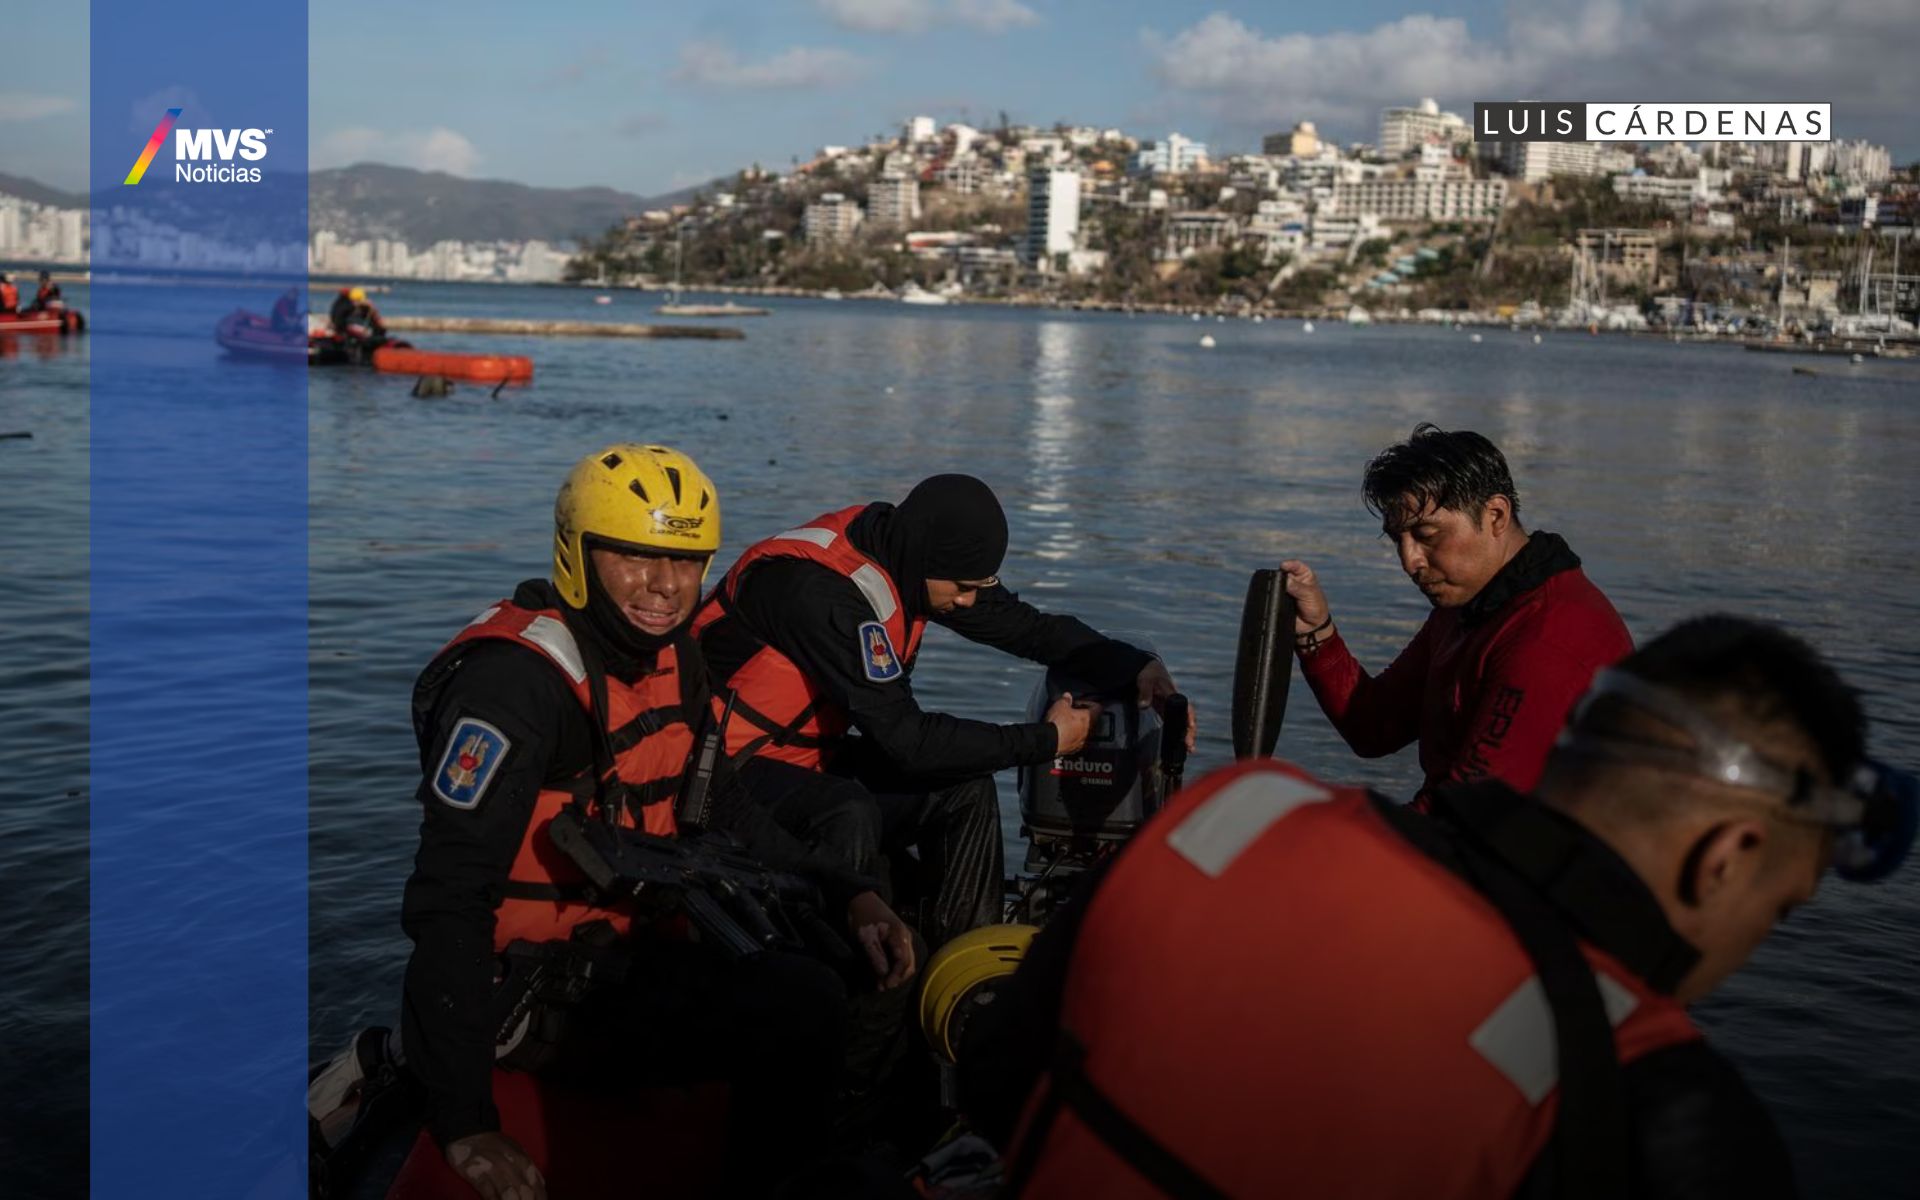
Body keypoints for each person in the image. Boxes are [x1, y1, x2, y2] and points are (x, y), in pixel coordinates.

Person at [961, 615, 1916, 1199]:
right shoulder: (1663, 1112)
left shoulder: (1236, 813)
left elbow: (997, 1082)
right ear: (1730, 857)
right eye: (1778, 911)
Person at [401, 444, 918, 1200]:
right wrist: (463, 1120)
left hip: (630, 941)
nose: (665, 588)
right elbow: (448, 898)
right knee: (801, 1006)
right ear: (577, 554)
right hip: (531, 987)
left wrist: (846, 890)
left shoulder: (675, 654)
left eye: (684, 562)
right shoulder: (513, 687)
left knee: (836, 952)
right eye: (635, 558)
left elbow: (723, 803)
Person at [693, 474, 1194, 950]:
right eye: (962, 587)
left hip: (803, 759)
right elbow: (908, 744)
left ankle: (964, 970)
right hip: (722, 775)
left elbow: (1030, 629)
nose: (968, 601)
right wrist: (1045, 741)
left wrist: (1135, 667)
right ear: (922, 558)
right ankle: (856, 993)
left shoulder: (916, 561)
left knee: (964, 788)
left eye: (977, 586)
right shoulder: (820, 594)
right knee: (846, 808)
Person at [1283, 422, 1631, 810]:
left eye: (1427, 535)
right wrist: (1315, 632)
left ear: (1496, 515)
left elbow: (1467, 817)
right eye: (1398, 539)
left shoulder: (1551, 636)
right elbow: (1374, 726)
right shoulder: (1470, 605)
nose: (1409, 561)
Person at [328, 285, 387, 361]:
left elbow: (379, 326)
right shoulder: (346, 307)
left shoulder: (363, 309)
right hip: (351, 338)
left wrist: (373, 310)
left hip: (357, 337)